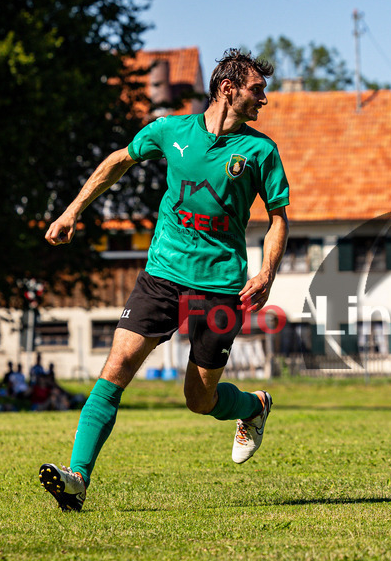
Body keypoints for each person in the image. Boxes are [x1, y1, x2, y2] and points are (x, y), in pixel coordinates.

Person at [38, 48, 290, 512]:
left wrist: (267, 271)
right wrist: (72, 210)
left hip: (220, 287)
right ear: (228, 89)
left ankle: (253, 407)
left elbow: (279, 218)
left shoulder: (260, 151)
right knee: (115, 370)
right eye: (258, 90)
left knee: (200, 398)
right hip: (162, 277)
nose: (264, 99)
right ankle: (78, 478)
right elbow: (119, 160)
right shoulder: (170, 130)